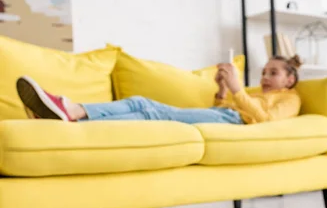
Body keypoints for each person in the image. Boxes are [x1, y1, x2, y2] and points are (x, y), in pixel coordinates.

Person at [16, 55, 302, 125]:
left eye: (273, 73)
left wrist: (239, 91)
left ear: (289, 80)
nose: (265, 77)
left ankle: (71, 117)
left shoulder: (290, 99)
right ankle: (73, 111)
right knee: (141, 101)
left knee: (151, 112)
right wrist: (222, 91)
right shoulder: (255, 94)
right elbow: (218, 113)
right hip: (226, 119)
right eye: (264, 72)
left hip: (235, 123)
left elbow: (264, 121)